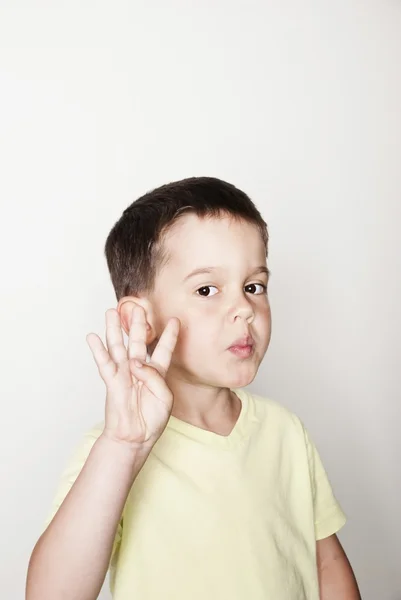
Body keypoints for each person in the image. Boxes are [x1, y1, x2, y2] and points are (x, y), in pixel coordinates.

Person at [26, 177, 361, 600]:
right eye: (207, 289)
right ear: (138, 322)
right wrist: (124, 446)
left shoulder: (285, 431)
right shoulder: (113, 451)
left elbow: (325, 562)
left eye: (253, 286)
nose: (244, 308)